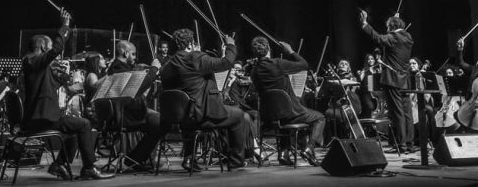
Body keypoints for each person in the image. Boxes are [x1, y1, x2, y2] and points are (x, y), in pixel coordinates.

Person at [21, 9, 113, 180]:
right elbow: (56, 49)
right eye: (49, 49)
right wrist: (65, 26)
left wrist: (63, 76)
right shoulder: (32, 60)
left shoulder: (37, 66)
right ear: (43, 47)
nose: (52, 55)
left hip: (39, 118)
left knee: (74, 129)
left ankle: (59, 164)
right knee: (84, 124)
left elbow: (62, 86)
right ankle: (89, 168)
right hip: (39, 119)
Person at [159, 28, 248, 170]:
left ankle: (189, 158)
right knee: (238, 115)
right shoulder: (194, 58)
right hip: (202, 115)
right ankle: (236, 160)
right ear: (190, 44)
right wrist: (230, 45)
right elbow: (226, 62)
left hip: (182, 117)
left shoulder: (167, 66)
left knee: (191, 114)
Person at [250, 36, 325, 166]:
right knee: (320, 118)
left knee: (282, 115)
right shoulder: (277, 64)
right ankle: (309, 148)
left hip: (269, 116)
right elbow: (304, 65)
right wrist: (290, 51)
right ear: (268, 48)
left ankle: (283, 154)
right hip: (290, 113)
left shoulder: (254, 71)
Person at [359, 9, 414, 153]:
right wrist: (395, 23)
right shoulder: (408, 37)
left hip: (393, 80)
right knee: (407, 113)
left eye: (388, 26)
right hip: (405, 80)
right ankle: (409, 144)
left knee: (397, 113)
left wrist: (365, 24)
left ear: (392, 27)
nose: (387, 28)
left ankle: (401, 145)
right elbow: (396, 34)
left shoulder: (393, 37)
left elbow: (377, 37)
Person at [105, 40, 163, 170]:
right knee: (161, 122)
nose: (135, 58)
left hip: (127, 112)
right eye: (133, 54)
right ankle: (136, 159)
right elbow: (137, 86)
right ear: (125, 53)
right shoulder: (119, 68)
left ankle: (138, 158)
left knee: (158, 119)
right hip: (125, 115)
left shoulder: (117, 67)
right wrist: (154, 69)